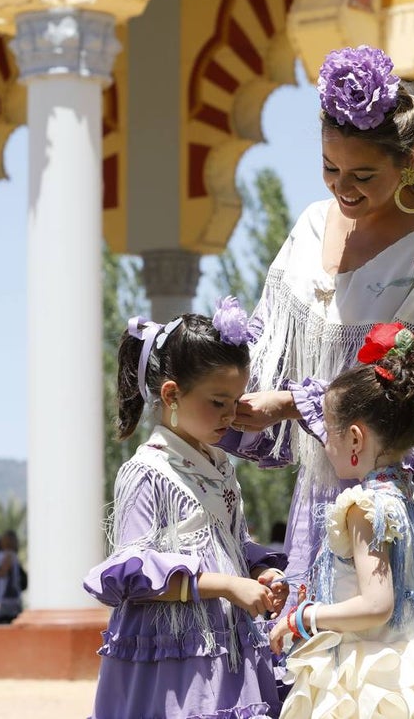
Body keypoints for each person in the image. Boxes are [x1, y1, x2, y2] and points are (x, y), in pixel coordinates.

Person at [220, 45, 414, 626]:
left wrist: (293, 403)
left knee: (388, 664)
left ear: (408, 162)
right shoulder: (312, 224)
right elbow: (268, 344)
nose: (343, 187)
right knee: (311, 666)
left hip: (395, 490)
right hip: (323, 482)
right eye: (330, 168)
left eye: (364, 175)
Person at [268, 325, 414, 717]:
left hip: (367, 676)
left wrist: (304, 618)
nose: (327, 444)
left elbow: (376, 604)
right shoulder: (407, 503)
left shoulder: (363, 507)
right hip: (409, 671)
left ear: (354, 439)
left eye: (329, 433)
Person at [83, 302, 289, 719]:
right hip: (174, 662)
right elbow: (136, 577)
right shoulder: (146, 472)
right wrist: (229, 586)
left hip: (227, 645)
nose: (231, 415)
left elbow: (228, 544)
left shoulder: (219, 467)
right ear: (172, 393)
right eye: (218, 402)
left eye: (236, 400)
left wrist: (258, 572)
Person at [0, 530, 23, 622]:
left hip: (6, 596)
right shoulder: (7, 555)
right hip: (5, 596)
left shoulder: (9, 555)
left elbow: (2, 573)